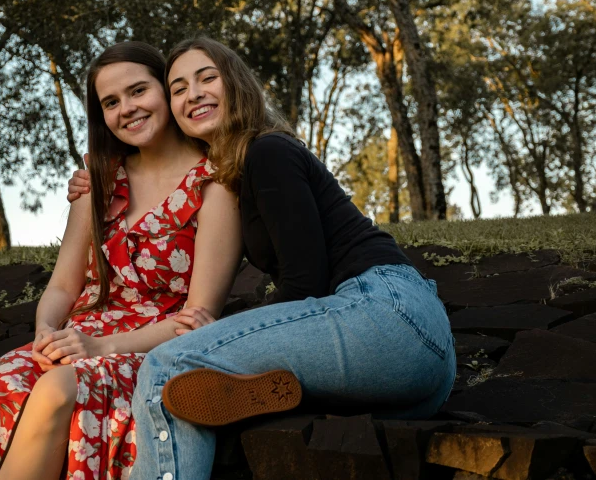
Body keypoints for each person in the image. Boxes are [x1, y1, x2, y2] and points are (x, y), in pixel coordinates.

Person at [66, 36, 457, 480]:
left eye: (206, 77)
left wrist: (218, 335)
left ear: (235, 84)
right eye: (177, 88)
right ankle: (246, 394)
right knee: (196, 389)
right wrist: (96, 177)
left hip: (384, 312)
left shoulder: (267, 151)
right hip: (413, 380)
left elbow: (304, 283)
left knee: (168, 366)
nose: (192, 93)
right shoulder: (235, 169)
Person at [0, 41, 242, 480]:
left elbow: (198, 315)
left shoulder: (215, 183)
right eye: (110, 102)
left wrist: (98, 348)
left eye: (138, 90)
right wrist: (46, 331)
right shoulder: (98, 181)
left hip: (152, 349)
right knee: (4, 378)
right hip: (84, 334)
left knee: (58, 389)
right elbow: (65, 285)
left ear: (166, 90)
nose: (127, 108)